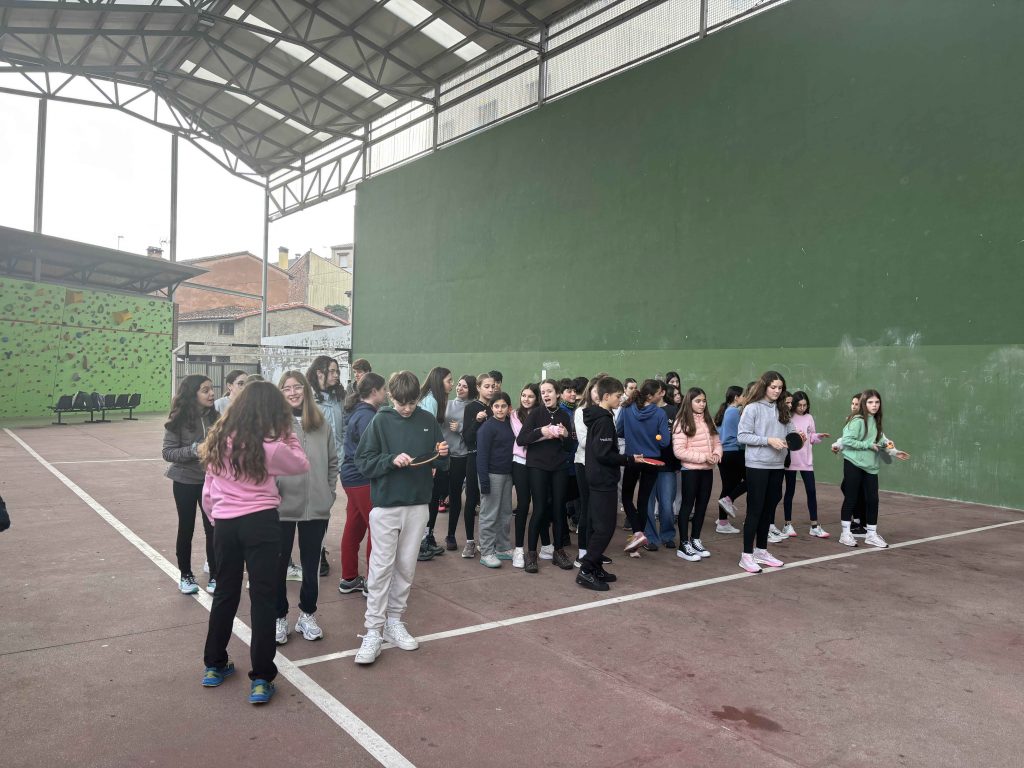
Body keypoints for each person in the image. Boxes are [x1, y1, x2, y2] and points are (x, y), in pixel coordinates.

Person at [200, 381, 310, 704]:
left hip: (226, 525)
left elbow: (208, 491)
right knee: (263, 598)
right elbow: (301, 463)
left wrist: (216, 519)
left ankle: (213, 665)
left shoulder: (218, 440)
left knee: (225, 593)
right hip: (261, 523)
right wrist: (287, 432)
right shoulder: (270, 446)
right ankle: (261, 678)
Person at [353, 371, 449, 665]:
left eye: (412, 403)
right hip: (386, 506)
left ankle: (394, 621)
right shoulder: (380, 421)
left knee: (406, 566)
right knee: (381, 568)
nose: (406, 408)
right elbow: (363, 461)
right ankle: (373, 630)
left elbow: (442, 460)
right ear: (390, 397)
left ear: (418, 398)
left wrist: (443, 453)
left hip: (418, 505)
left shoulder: (428, 420)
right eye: (401, 403)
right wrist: (390, 460)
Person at [273, 371, 337, 645]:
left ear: (306, 390)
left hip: (317, 508)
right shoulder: (273, 423)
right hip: (282, 507)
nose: (292, 392)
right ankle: (278, 616)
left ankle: (307, 615)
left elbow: (332, 462)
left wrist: (329, 493)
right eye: (286, 388)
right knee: (277, 566)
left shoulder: (321, 422)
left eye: (297, 387)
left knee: (312, 566)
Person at [736, 371, 801, 574]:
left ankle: (761, 551)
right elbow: (742, 436)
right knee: (755, 510)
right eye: (773, 387)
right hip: (757, 465)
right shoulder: (752, 408)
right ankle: (746, 555)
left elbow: (791, 434)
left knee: (768, 510)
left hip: (777, 465)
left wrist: (798, 437)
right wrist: (768, 440)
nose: (776, 391)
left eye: (780, 388)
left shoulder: (783, 409)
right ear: (764, 386)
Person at [162, 375, 219, 595]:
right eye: (205, 390)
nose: (211, 393)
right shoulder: (178, 419)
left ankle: (215, 575)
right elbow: (168, 452)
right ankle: (185, 575)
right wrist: (194, 450)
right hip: (185, 481)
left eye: (211, 389)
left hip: (211, 482)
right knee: (186, 527)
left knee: (213, 528)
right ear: (192, 394)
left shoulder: (216, 417)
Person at [578, 376, 636, 590]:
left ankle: (595, 567)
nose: (621, 399)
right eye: (618, 396)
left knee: (601, 526)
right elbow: (603, 454)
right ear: (606, 396)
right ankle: (586, 571)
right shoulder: (603, 420)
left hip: (601, 479)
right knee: (605, 528)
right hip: (602, 480)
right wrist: (628, 459)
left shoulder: (602, 417)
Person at [838, 390, 910, 548]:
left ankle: (871, 535)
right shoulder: (857, 421)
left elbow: (881, 440)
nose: (874, 405)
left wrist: (894, 451)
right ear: (864, 404)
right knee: (851, 498)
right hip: (853, 463)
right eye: (870, 402)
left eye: (877, 402)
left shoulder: (876, 421)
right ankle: (845, 534)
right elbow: (847, 440)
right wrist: (867, 445)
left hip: (871, 466)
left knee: (873, 500)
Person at [516, 379, 574, 572]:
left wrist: (565, 435)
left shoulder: (564, 415)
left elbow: (569, 447)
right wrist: (541, 431)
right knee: (539, 509)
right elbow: (521, 439)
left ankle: (559, 551)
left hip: (559, 467)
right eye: (543, 392)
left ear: (557, 394)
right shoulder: (535, 414)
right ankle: (531, 553)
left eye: (549, 391)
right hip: (537, 466)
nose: (546, 395)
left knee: (558, 509)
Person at [338, 372, 387, 596]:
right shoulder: (368, 416)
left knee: (355, 525)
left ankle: (349, 578)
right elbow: (370, 451)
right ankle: (371, 582)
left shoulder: (360, 412)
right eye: (384, 389)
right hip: (362, 478)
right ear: (374, 391)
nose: (386, 393)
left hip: (351, 477)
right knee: (376, 528)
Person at [617, 379, 670, 554]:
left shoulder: (626, 408)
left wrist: (633, 434)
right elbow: (665, 442)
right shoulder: (660, 414)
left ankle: (637, 532)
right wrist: (656, 438)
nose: (662, 395)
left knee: (626, 497)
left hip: (633, 458)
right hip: (651, 461)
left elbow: (619, 431)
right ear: (650, 396)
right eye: (659, 393)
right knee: (643, 500)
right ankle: (639, 534)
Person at [672, 387, 722, 561]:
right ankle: (683, 544)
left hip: (707, 471)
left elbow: (717, 442)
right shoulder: (681, 422)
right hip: (690, 471)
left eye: (704, 401)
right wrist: (704, 457)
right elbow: (679, 451)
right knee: (687, 506)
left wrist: (716, 454)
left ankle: (695, 540)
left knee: (702, 505)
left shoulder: (709, 420)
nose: (702, 404)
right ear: (690, 402)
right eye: (698, 401)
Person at [307, 355, 346, 576]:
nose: (336, 375)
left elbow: (344, 428)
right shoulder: (308, 399)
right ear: (319, 373)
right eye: (332, 371)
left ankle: (318, 550)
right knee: (313, 509)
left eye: (337, 371)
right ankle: (315, 551)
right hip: (313, 462)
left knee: (325, 507)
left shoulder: (339, 398)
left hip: (335, 462)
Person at [425, 374, 472, 556]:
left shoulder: (473, 408)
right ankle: (429, 534)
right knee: (435, 495)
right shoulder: (445, 404)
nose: (459, 388)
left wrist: (460, 428)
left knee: (455, 495)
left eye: (464, 386)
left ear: (471, 389)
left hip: (460, 457)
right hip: (442, 456)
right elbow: (436, 427)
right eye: (458, 384)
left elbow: (473, 434)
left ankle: (451, 535)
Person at [454, 372, 495, 557]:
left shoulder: (496, 407)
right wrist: (477, 421)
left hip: (492, 459)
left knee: (490, 500)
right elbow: (468, 437)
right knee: (471, 498)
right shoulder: (471, 408)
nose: (490, 389)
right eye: (486, 386)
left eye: (493, 386)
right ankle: (470, 541)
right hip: (474, 457)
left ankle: (487, 540)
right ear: (478, 388)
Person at [783, 391, 830, 538]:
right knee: (789, 492)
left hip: (806, 461)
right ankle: (787, 525)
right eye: (799, 405)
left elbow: (811, 436)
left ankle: (814, 526)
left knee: (811, 491)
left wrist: (818, 436)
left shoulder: (809, 417)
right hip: (791, 461)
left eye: (805, 405)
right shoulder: (788, 418)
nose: (802, 408)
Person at [476, 392, 515, 567]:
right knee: (489, 515)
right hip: (491, 476)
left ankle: (502, 547)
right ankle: (486, 552)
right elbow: (481, 456)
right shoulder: (487, 428)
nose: (500, 409)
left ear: (509, 408)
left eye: (503, 406)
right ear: (491, 408)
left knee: (505, 513)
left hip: (507, 475)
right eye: (496, 406)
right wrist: (484, 481)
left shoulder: (509, 424)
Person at [417, 367, 452, 559]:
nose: (452, 384)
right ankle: (422, 541)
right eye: (449, 380)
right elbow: (426, 434)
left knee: (433, 498)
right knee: (429, 501)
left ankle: (428, 537)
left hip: (434, 458)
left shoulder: (435, 400)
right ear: (439, 382)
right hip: (429, 460)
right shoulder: (430, 401)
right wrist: (431, 463)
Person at [510, 383, 542, 568]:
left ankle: (538, 549)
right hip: (520, 463)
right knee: (523, 505)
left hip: (538, 464)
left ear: (536, 398)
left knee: (540, 505)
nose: (526, 399)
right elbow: (522, 437)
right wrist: (540, 433)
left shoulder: (541, 414)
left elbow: (535, 438)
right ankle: (519, 549)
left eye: (530, 396)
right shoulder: (514, 415)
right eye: (524, 395)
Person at [645, 383, 679, 551]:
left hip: (668, 465)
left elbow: (678, 437)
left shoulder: (673, 411)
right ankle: (650, 538)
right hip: (648, 464)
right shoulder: (644, 410)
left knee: (666, 504)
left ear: (663, 393)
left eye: (655, 392)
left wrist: (678, 463)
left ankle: (667, 535)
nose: (650, 396)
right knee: (648, 504)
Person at [834, 393, 868, 536]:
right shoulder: (853, 419)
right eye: (852, 404)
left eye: (857, 404)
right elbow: (846, 438)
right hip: (852, 460)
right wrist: (838, 445)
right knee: (850, 489)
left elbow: (850, 440)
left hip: (860, 461)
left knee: (858, 492)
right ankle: (859, 521)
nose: (854, 406)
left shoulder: (863, 421)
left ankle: (862, 524)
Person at [714, 385, 746, 534]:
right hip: (733, 452)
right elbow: (741, 435)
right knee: (751, 480)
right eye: (743, 395)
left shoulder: (725, 411)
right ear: (736, 397)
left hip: (725, 454)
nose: (745, 398)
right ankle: (729, 500)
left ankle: (722, 521)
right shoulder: (734, 412)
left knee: (727, 487)